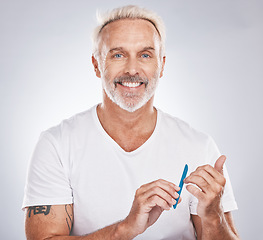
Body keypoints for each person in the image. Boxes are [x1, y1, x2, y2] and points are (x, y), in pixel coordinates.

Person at [22, 5, 239, 240]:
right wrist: (125, 229)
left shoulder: (200, 146)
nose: (132, 69)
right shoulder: (57, 145)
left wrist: (213, 216)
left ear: (162, 65)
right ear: (96, 65)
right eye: (118, 54)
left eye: (145, 55)